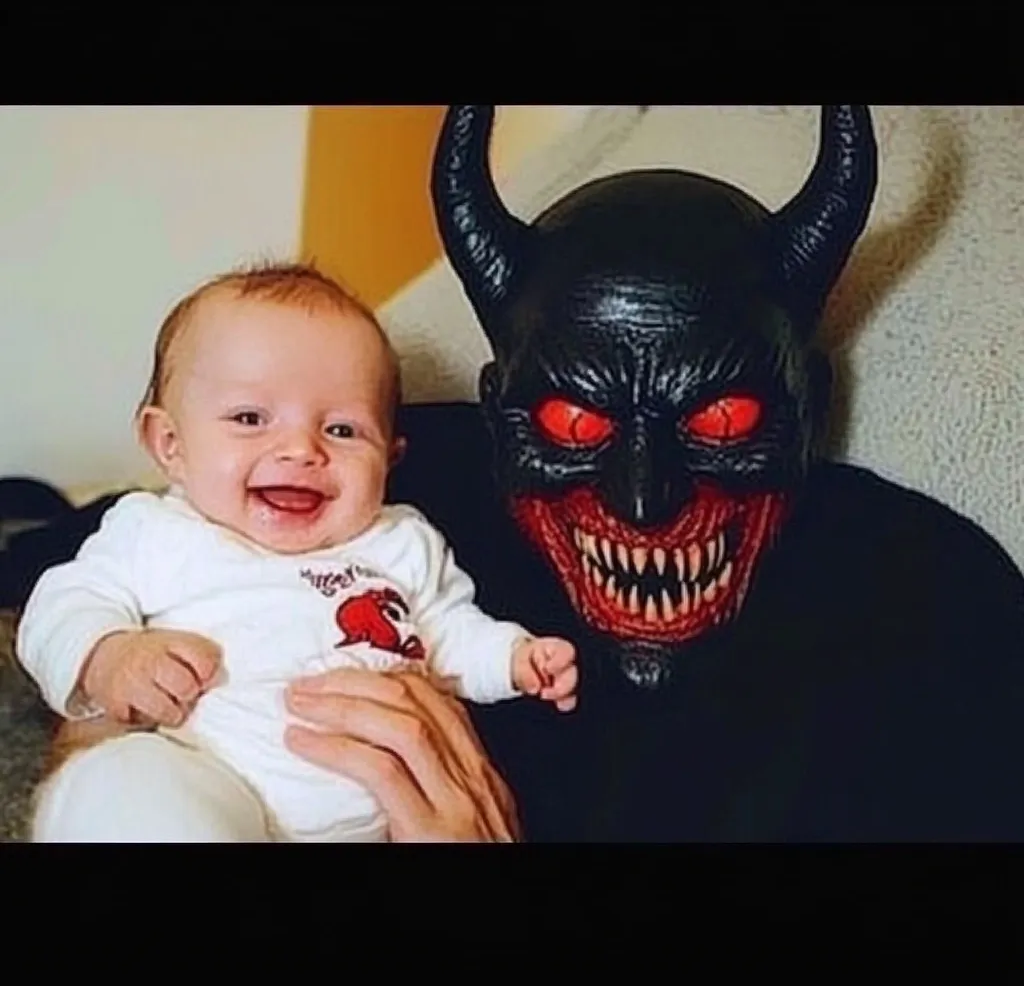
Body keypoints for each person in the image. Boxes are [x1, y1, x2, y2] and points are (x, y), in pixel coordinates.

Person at [14, 103, 1024, 843]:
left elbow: (456, 630)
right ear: (502, 408)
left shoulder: (921, 598)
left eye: (718, 416)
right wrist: (108, 694)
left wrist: (513, 669)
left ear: (801, 400)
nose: (643, 493)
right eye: (574, 417)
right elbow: (64, 584)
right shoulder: (403, 469)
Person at [15, 263, 577, 843]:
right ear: (170, 444)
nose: (299, 448)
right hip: (212, 776)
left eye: (341, 430)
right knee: (122, 785)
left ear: (389, 458)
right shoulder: (157, 530)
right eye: (250, 418)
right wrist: (110, 656)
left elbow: (449, 632)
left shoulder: (401, 541)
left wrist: (514, 657)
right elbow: (62, 604)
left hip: (373, 822)